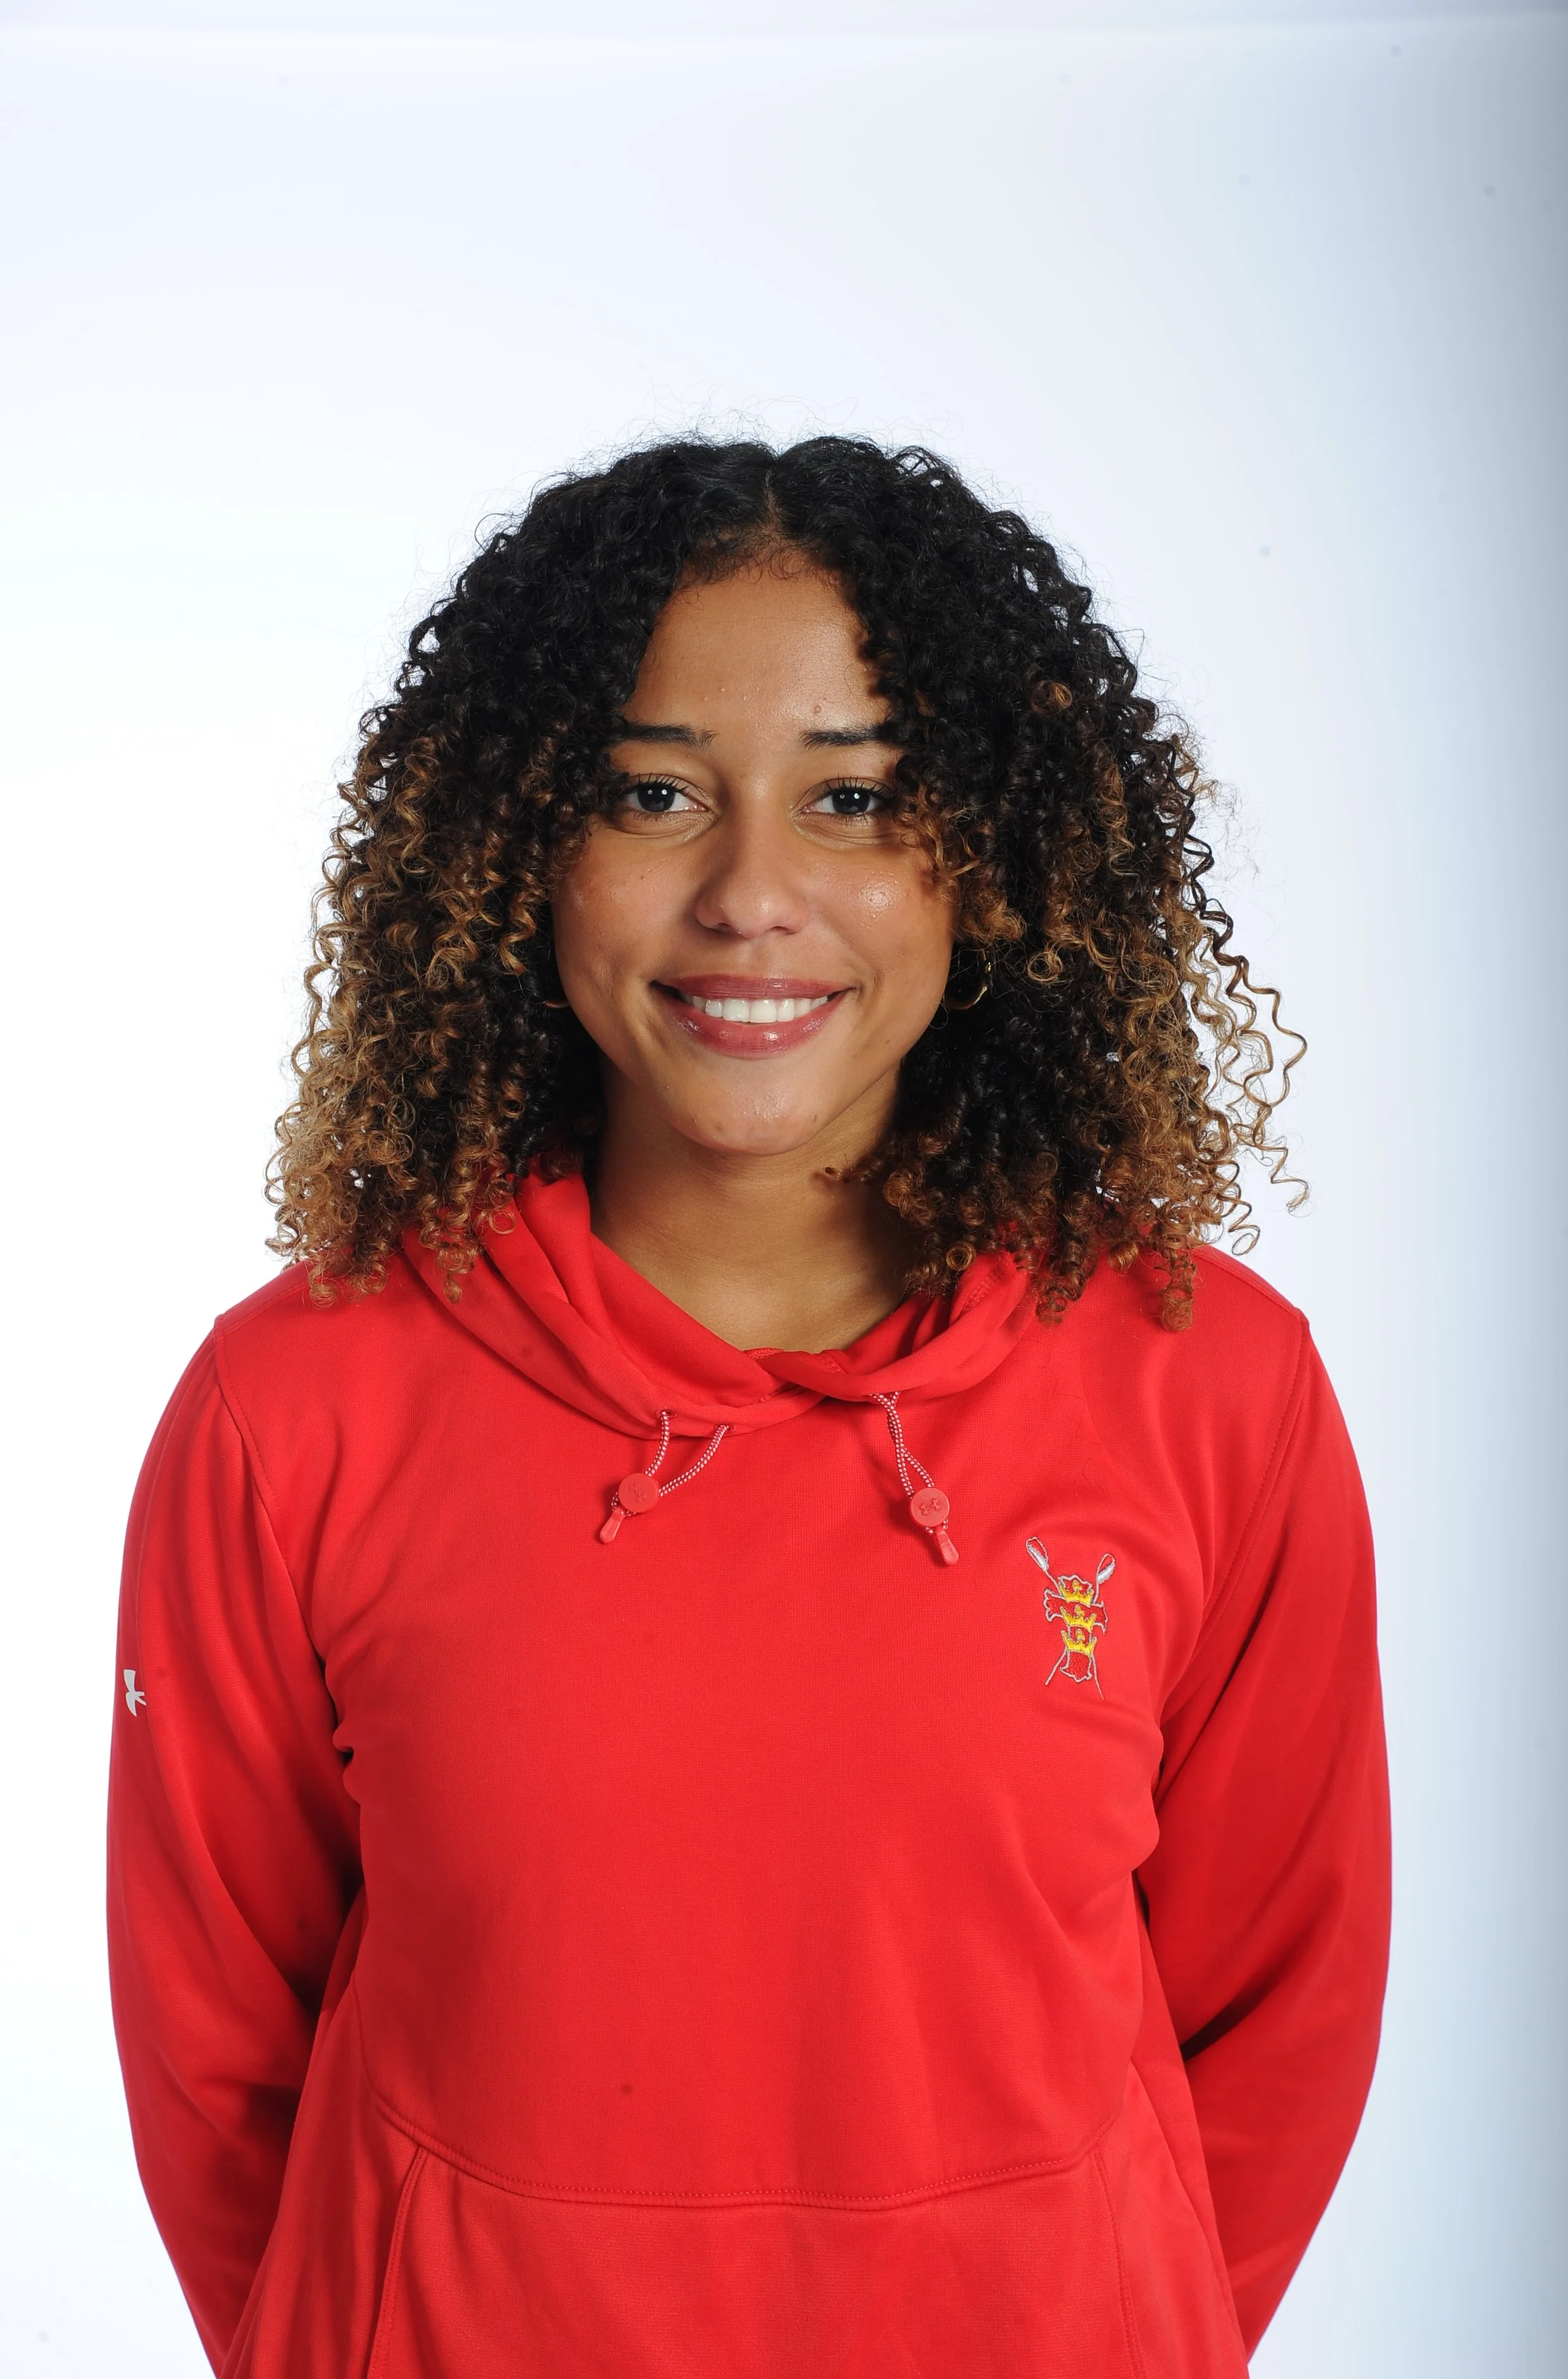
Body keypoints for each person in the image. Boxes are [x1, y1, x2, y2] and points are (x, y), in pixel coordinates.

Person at [108, 436, 1389, 2379]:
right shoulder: (298, 1403)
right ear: (520, 846)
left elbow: (1277, 2014)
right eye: (653, 793)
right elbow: (217, 2053)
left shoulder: (1211, 1383)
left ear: (993, 861)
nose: (751, 893)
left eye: (854, 795)